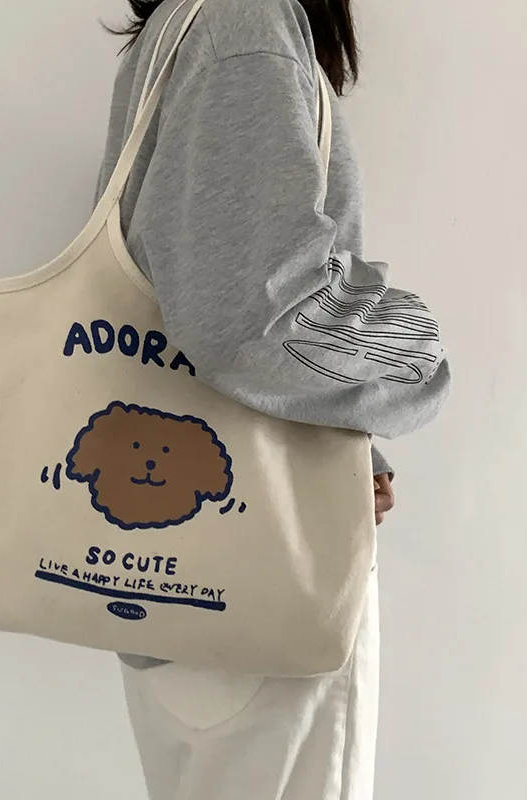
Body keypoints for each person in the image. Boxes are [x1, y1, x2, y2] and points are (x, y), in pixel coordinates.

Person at [95, 1, 451, 798]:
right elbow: (253, 317)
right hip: (262, 580)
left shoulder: (195, 23)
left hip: (189, 574)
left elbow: (216, 290)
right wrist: (415, 360)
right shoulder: (244, 25)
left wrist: (355, 443)